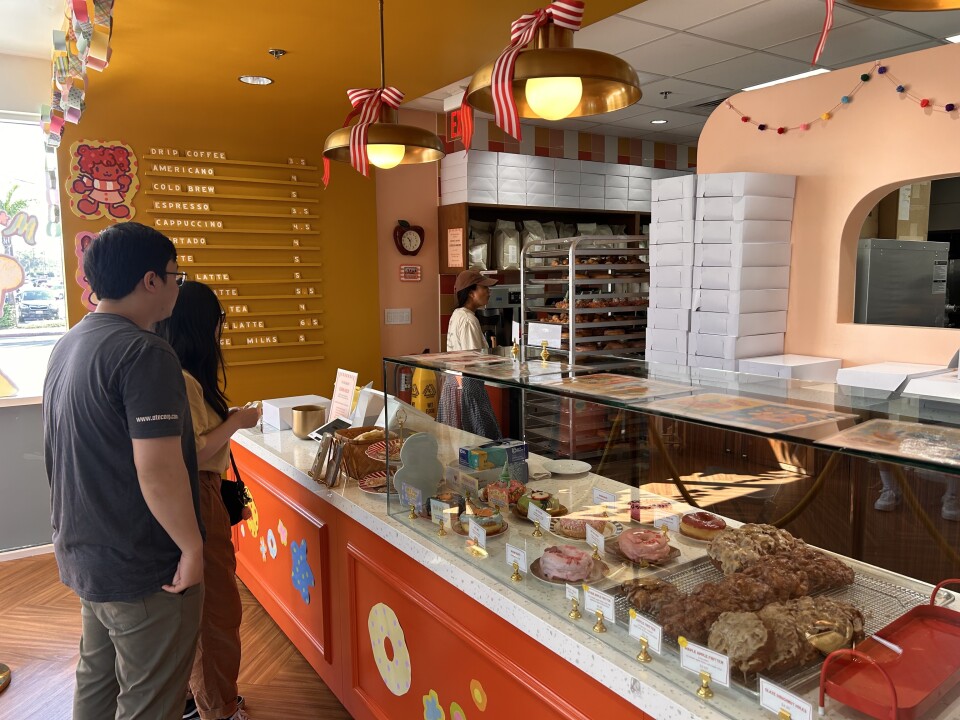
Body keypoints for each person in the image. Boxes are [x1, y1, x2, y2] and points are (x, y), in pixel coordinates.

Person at [42, 221, 204, 720]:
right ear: (150, 280)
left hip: (86, 551)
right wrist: (193, 546)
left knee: (98, 677)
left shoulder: (69, 343)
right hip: (142, 566)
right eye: (175, 275)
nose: (179, 285)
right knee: (150, 698)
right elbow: (156, 469)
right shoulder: (144, 351)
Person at [157, 282, 259, 720]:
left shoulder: (170, 369)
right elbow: (195, 450)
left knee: (198, 613)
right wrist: (237, 421)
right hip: (199, 495)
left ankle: (195, 699)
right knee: (216, 612)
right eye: (219, 323)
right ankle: (219, 708)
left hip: (192, 495)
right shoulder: (181, 377)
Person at [438, 270, 501, 439]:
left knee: (459, 440)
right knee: (481, 439)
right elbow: (473, 360)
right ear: (471, 293)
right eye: (484, 288)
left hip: (454, 383)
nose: (488, 292)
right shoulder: (468, 320)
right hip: (467, 385)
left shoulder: (457, 315)